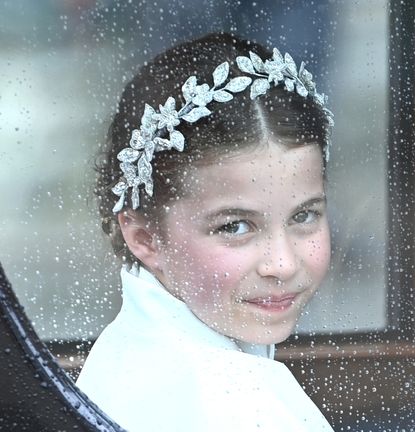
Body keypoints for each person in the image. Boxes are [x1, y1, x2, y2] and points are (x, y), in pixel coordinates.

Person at [77, 32, 335, 431]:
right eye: (234, 226)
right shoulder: (240, 411)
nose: (282, 264)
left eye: (303, 216)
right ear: (145, 238)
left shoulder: (134, 350)